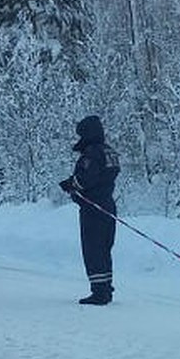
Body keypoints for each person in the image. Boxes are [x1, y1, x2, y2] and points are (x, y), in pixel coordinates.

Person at [59, 115, 121, 305]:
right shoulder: (109, 151)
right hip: (107, 205)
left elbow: (86, 178)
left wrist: (70, 184)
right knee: (104, 248)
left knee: (93, 249)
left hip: (92, 207)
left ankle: (99, 293)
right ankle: (105, 288)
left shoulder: (92, 154)